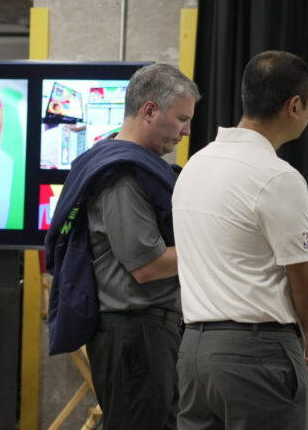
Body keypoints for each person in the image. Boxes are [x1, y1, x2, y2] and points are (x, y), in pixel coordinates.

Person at [172, 50, 308, 430]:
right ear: (295, 105)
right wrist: (306, 344)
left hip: (193, 353)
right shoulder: (277, 177)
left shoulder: (195, 166)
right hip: (258, 356)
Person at [45, 63, 200, 430]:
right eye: (181, 118)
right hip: (135, 336)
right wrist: (215, 249)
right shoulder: (122, 176)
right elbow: (147, 265)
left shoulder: (117, 162)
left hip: (142, 334)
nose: (186, 130)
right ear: (149, 110)